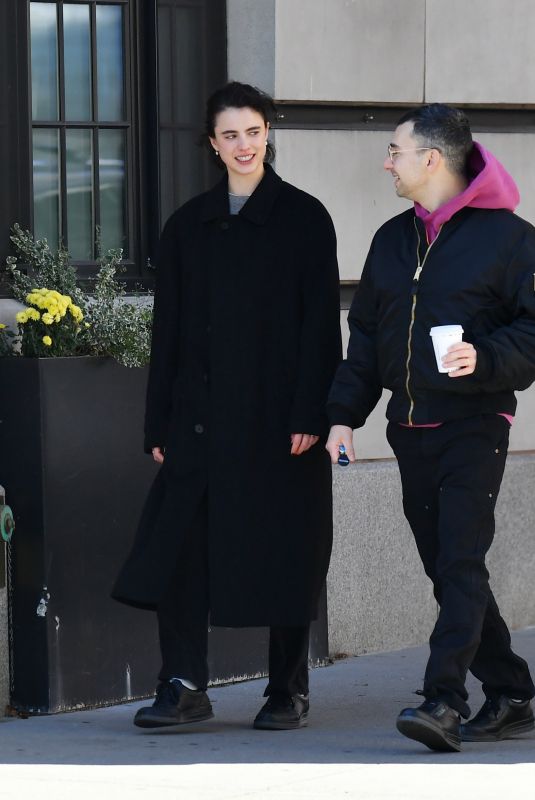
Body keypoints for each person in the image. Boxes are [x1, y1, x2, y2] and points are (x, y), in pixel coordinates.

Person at [112, 81, 341, 731]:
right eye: (229, 135)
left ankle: (286, 688)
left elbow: (320, 329)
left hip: (280, 425)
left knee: (286, 551)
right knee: (180, 551)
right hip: (200, 422)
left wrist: (310, 414)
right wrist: (158, 420)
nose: (243, 145)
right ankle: (182, 685)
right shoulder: (188, 225)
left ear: (268, 132)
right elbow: (170, 332)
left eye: (252, 131)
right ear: (211, 145)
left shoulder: (304, 218)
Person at [326, 104, 535, 752]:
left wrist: (487, 357)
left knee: (460, 560)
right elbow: (364, 335)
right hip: (408, 427)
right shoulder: (392, 239)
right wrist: (340, 417)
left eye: (394, 150)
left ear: (431, 160)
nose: (386, 161)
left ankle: (441, 700)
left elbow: (530, 329)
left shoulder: (509, 240)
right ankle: (511, 690)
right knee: (446, 571)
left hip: (475, 422)